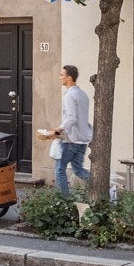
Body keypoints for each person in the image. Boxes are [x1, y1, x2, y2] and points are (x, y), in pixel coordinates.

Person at [50, 65, 93, 196]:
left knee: (59, 170)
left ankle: (64, 202)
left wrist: (57, 130)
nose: (59, 78)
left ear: (69, 77)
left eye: (62, 75)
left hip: (71, 140)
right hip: (82, 140)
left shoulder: (69, 95)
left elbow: (72, 118)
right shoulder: (83, 94)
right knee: (78, 169)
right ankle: (102, 188)